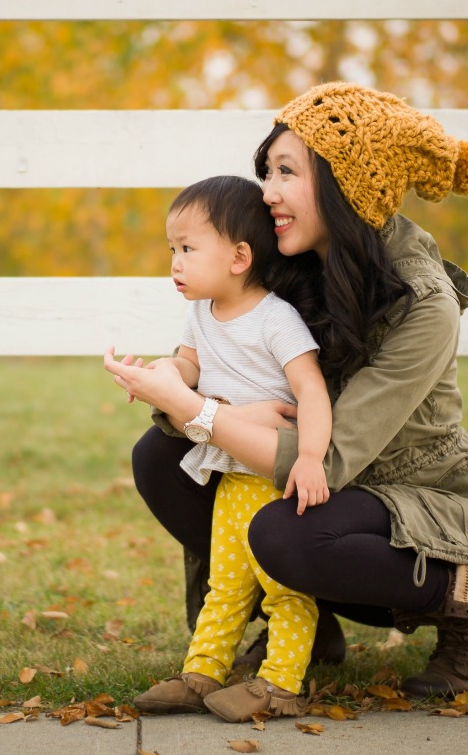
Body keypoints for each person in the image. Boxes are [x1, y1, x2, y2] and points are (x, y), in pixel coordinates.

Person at [104, 81, 468, 700]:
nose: (267, 192)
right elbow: (225, 350)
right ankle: (302, 628)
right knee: (160, 458)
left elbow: (328, 459)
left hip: (406, 498)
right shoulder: (294, 255)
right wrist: (179, 378)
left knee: (285, 534)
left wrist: (197, 411)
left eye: (286, 172)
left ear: (345, 183)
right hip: (319, 478)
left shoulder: (425, 305)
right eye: (266, 170)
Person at [115, 174, 333, 723]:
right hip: (232, 478)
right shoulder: (201, 313)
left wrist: (309, 458)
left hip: (273, 475)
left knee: (283, 588)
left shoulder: (274, 319)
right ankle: (202, 671)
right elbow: (188, 366)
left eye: (188, 249)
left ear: (239, 257)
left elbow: (311, 390)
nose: (175, 262)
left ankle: (282, 683)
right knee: (227, 584)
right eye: (172, 249)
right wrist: (163, 375)